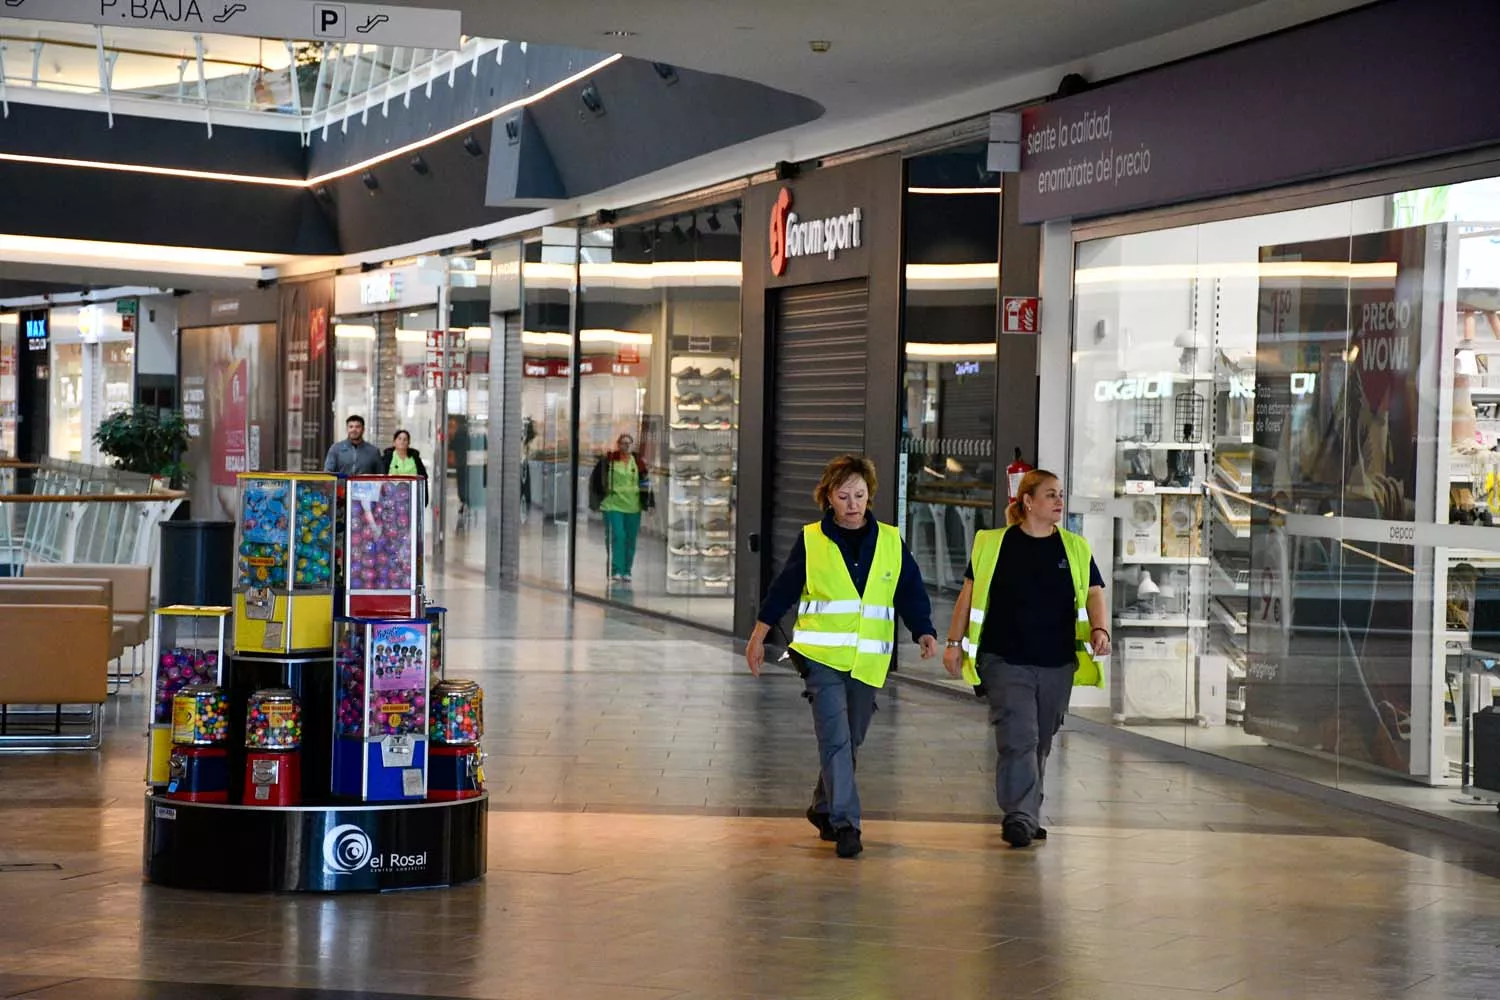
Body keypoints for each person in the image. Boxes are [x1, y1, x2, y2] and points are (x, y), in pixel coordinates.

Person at [746, 454, 939, 859]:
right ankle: (846, 823)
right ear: (828, 498)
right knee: (834, 738)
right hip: (821, 659)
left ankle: (822, 805)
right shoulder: (812, 540)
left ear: (870, 497)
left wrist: (923, 629)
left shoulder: (889, 540)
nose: (853, 504)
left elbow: (909, 589)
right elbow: (784, 587)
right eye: (844, 495)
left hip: (869, 661)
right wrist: (759, 633)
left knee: (850, 740)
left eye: (860, 495)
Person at [941, 469, 1110, 849]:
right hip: (1004, 658)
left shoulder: (1075, 548)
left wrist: (1101, 630)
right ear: (1028, 501)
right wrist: (953, 642)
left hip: (1057, 662)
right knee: (1020, 736)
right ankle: (1018, 815)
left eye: (1061, 494)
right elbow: (968, 595)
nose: (1058, 501)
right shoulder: (992, 544)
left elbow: (1094, 593)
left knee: (1041, 741)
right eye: (1050, 495)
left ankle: (1029, 812)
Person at [588, 432, 654, 583]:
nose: (626, 446)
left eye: (629, 443)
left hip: (633, 506)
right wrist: (595, 502)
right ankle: (616, 570)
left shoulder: (638, 462)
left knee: (630, 539)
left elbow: (645, 483)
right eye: (623, 443)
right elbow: (596, 481)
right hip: (613, 505)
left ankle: (627, 571)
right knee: (618, 536)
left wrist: (650, 503)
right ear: (618, 444)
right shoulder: (609, 460)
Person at [381, 429, 429, 505]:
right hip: (392, 498)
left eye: (405, 439)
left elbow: (424, 477)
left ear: (408, 443)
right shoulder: (387, 458)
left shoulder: (415, 458)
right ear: (394, 442)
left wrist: (424, 499)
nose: (402, 441)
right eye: (399, 439)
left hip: (412, 497)